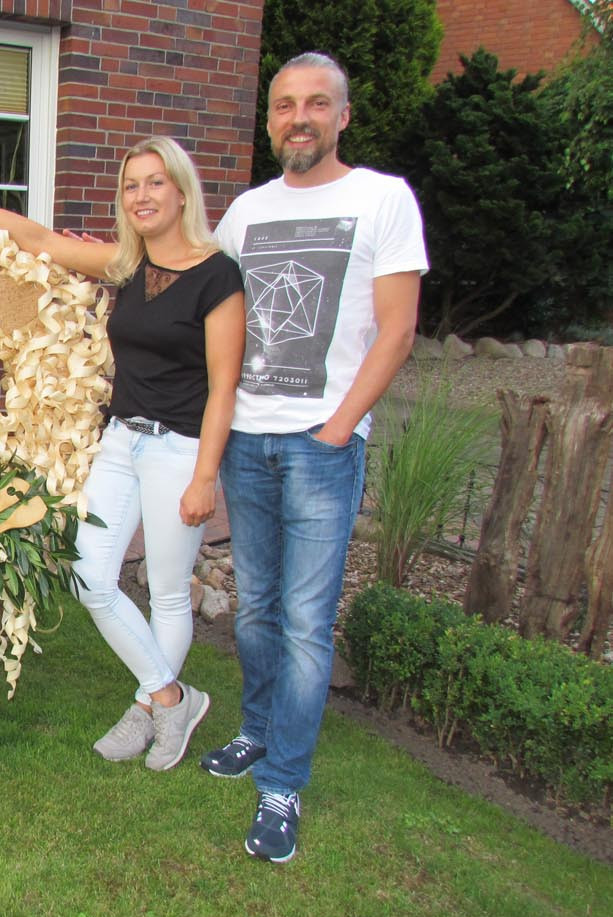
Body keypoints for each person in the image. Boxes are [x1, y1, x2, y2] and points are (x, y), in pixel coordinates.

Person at [0, 137, 245, 772]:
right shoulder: (126, 267)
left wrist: (206, 475)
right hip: (122, 441)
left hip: (179, 449)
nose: (142, 195)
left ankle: (151, 710)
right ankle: (172, 696)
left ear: (181, 191)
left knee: (170, 593)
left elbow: (224, 385)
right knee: (91, 574)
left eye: (155, 182)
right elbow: (38, 241)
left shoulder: (218, 274)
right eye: (131, 186)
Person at [204, 52, 428, 862]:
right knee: (257, 607)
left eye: (315, 104)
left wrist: (338, 428)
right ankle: (256, 733)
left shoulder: (381, 199)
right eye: (284, 105)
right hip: (245, 439)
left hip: (320, 446)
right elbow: (192, 284)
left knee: (303, 622)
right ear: (268, 120)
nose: (298, 117)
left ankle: (282, 785)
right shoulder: (245, 212)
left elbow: (396, 329)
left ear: (342, 115)